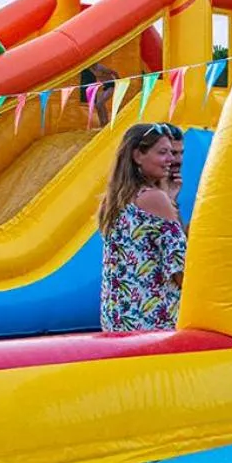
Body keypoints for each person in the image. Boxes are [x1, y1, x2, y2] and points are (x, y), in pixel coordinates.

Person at [99, 123, 186, 332]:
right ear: (138, 156)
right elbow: (180, 268)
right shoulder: (154, 199)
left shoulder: (114, 201)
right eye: (163, 152)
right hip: (152, 322)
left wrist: (170, 201)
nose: (171, 159)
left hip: (118, 319)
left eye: (172, 153)